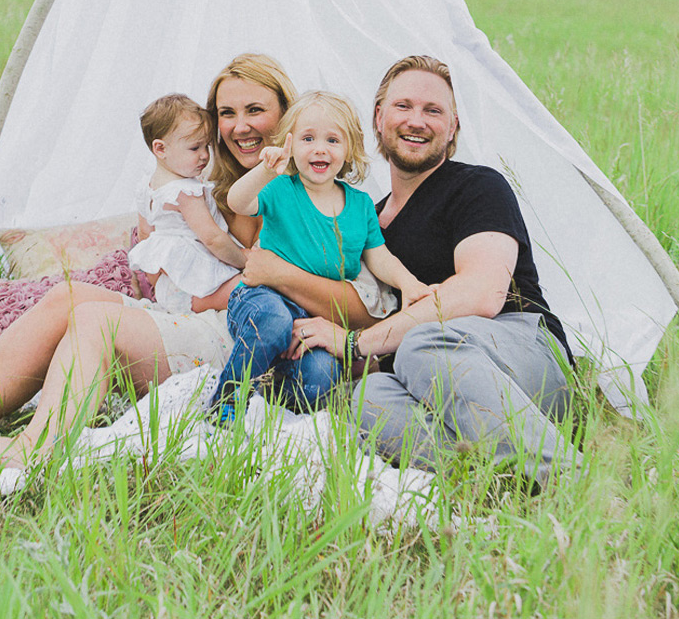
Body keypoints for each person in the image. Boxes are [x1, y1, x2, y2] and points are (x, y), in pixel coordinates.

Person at [0, 54, 378, 465]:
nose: (239, 126)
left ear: (286, 117)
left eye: (255, 111)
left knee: (96, 320)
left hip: (248, 340)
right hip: (206, 313)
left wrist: (264, 277)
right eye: (227, 113)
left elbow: (360, 302)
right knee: (67, 296)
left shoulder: (321, 190)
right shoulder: (220, 186)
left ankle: (34, 451)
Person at [296, 56, 581, 488]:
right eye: (403, 106)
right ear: (378, 117)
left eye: (434, 111)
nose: (417, 120)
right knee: (366, 400)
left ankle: (569, 482)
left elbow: (481, 293)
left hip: (526, 356)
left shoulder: (477, 186)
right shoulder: (367, 225)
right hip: (443, 390)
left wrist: (359, 344)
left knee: (423, 344)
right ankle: (503, 483)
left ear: (452, 128)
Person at [211, 91, 431, 421]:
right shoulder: (282, 188)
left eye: (332, 140)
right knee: (273, 323)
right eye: (308, 138)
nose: (319, 148)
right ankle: (226, 404)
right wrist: (265, 170)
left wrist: (410, 284)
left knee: (321, 377)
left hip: (315, 318)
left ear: (350, 149)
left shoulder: (360, 206)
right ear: (290, 145)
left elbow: (379, 257)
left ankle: (270, 387)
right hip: (262, 299)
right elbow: (238, 202)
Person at [127, 93, 240, 313]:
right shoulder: (185, 191)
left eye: (206, 146)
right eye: (195, 148)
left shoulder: (147, 187)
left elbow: (145, 235)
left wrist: (157, 281)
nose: (205, 156)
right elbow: (213, 238)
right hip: (197, 288)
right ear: (160, 149)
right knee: (248, 289)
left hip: (168, 288)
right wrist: (242, 261)